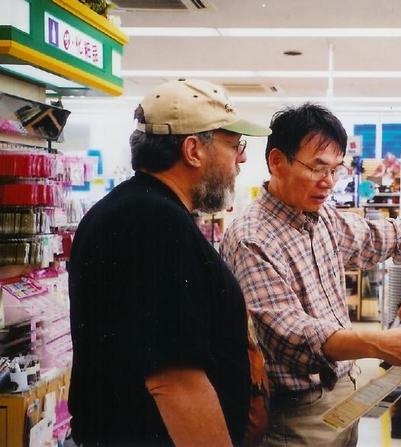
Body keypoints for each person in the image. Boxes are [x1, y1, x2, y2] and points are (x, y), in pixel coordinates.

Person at [221, 103, 401, 447]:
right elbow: (291, 334)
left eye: (335, 169)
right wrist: (377, 344)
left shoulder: (321, 216)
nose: (328, 182)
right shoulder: (252, 238)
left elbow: (379, 236)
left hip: (342, 393)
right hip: (297, 415)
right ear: (276, 162)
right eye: (317, 168)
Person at [68, 79, 271, 446]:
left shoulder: (139, 210)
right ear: (193, 149)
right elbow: (175, 381)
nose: (241, 158)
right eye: (234, 144)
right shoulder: (151, 223)